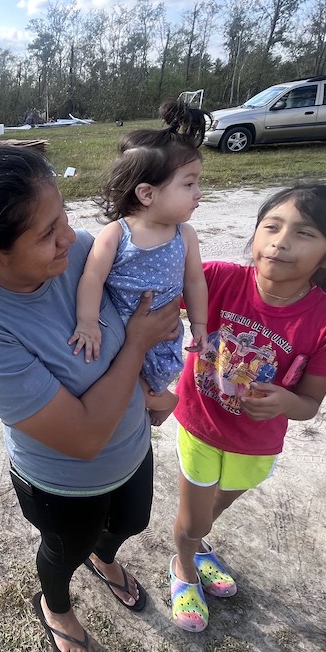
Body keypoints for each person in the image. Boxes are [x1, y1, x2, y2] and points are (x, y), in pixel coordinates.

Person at [0, 144, 182, 652]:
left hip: (133, 445)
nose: (70, 236)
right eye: (46, 233)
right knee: (64, 550)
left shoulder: (81, 253)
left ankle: (105, 556)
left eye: (63, 216)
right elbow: (84, 437)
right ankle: (56, 606)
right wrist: (136, 344)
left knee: (132, 522)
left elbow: (163, 276)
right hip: (64, 482)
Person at [168, 184, 326, 632]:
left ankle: (195, 545)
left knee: (211, 512)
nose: (280, 241)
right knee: (193, 517)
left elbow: (309, 404)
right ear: (254, 235)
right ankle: (183, 567)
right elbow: (148, 293)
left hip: (257, 444)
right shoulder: (214, 279)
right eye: (271, 227)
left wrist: (286, 401)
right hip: (199, 424)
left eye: (304, 233)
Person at [70, 101, 210, 423]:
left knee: (151, 380)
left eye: (197, 183)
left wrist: (200, 324)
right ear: (147, 194)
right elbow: (91, 279)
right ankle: (160, 403)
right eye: (189, 184)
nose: (198, 193)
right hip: (119, 330)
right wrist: (88, 322)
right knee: (119, 380)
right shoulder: (116, 233)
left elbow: (194, 281)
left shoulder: (184, 234)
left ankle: (155, 401)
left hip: (164, 332)